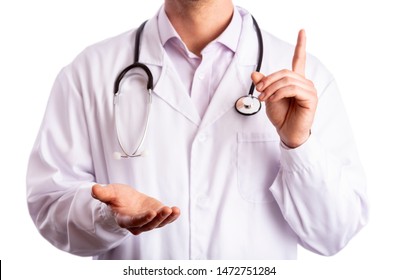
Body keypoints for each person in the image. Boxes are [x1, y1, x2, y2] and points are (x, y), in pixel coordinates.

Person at [26, 0, 369, 260]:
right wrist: (107, 215)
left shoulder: (305, 80)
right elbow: (49, 206)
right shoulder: (90, 72)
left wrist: (298, 144)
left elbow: (333, 233)